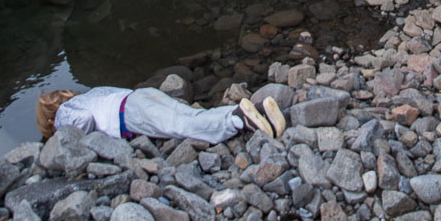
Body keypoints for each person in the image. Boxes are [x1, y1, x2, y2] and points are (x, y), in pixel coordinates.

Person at [36, 84, 285, 144]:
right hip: (139, 96)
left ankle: (237, 120)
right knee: (189, 116)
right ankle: (258, 111)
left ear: (50, 121)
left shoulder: (64, 115)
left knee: (185, 127)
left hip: (129, 115)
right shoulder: (89, 95)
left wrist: (79, 144)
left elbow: (85, 121)